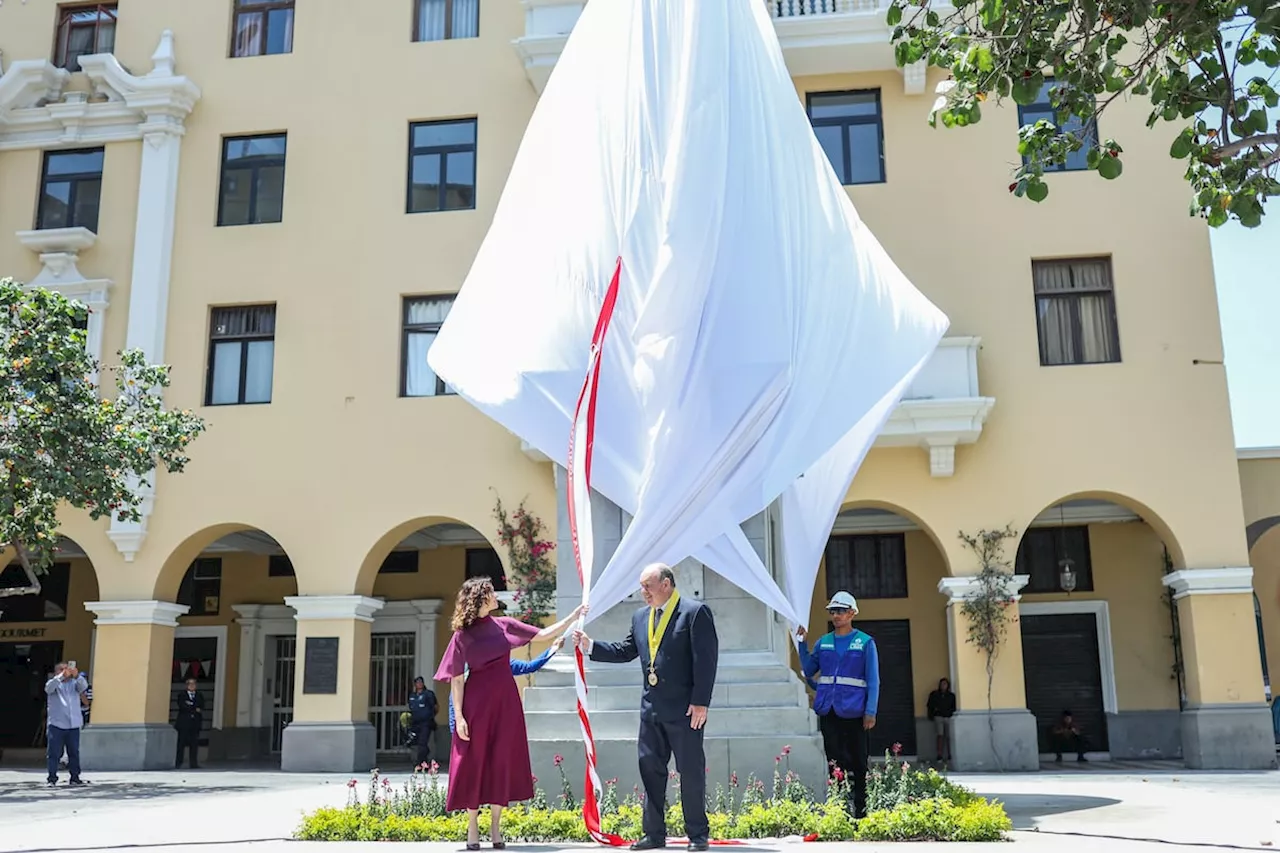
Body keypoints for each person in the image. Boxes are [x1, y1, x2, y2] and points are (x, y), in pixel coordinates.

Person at [573, 563, 719, 853]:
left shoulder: (693, 612)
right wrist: (591, 646)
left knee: (690, 772)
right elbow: (626, 651)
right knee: (650, 771)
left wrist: (701, 701)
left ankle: (697, 835)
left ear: (666, 584)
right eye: (642, 587)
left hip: (686, 710)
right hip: (650, 710)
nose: (643, 593)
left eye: (647, 586)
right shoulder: (641, 617)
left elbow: (706, 660)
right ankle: (654, 835)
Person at [435, 577, 586, 850]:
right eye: (491, 593)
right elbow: (456, 680)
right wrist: (459, 716)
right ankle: (472, 826)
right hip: (476, 705)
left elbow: (542, 635)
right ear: (480, 599)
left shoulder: (504, 625)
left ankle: (495, 826)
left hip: (506, 704)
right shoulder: (462, 636)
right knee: (474, 761)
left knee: (500, 761)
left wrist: (573, 617)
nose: (495, 596)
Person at [795, 591, 879, 819]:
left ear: (852, 613)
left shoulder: (865, 642)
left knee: (858, 761)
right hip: (829, 710)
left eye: (841, 611)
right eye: (833, 611)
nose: (836, 615)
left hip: (855, 711)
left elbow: (873, 679)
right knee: (834, 760)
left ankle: (861, 810)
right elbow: (809, 670)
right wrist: (802, 644)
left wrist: (870, 711)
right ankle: (839, 808)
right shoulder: (824, 642)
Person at [449, 632, 567, 737]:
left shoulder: (503, 663)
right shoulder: (466, 667)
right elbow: (454, 699)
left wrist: (553, 649)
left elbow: (529, 666)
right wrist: (455, 726)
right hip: (468, 722)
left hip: (490, 722)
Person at [45, 661, 88, 787]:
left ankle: (75, 777)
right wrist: (61, 676)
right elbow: (48, 688)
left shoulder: (75, 683)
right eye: (62, 669)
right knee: (54, 753)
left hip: (73, 724)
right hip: (57, 724)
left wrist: (77, 676)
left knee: (74, 752)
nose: (66, 671)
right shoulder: (53, 683)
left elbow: (84, 687)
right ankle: (52, 778)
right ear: (56, 672)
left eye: (67, 669)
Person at [407, 676, 439, 767]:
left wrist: (430, 716)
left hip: (426, 723)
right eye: (417, 682)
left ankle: (420, 763)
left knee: (422, 742)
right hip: (415, 723)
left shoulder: (428, 694)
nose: (419, 684)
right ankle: (423, 760)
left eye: (421, 682)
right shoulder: (412, 696)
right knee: (415, 743)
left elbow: (436, 707)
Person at [175, 677, 205, 769]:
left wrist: (190, 705)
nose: (192, 686)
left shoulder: (199, 695)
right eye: (190, 684)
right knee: (181, 744)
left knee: (194, 744)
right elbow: (182, 706)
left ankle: (193, 763)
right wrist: (194, 708)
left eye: (194, 684)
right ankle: (178, 762)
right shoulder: (182, 695)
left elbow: (201, 706)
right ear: (187, 685)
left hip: (195, 723)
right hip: (184, 723)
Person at [926, 677, 956, 765]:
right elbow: (929, 705)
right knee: (940, 735)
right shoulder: (935, 695)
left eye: (945, 684)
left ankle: (950, 754)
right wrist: (931, 715)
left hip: (948, 717)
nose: (944, 686)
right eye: (942, 684)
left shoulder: (951, 696)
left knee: (948, 736)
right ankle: (939, 755)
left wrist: (950, 713)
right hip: (938, 717)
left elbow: (953, 707)